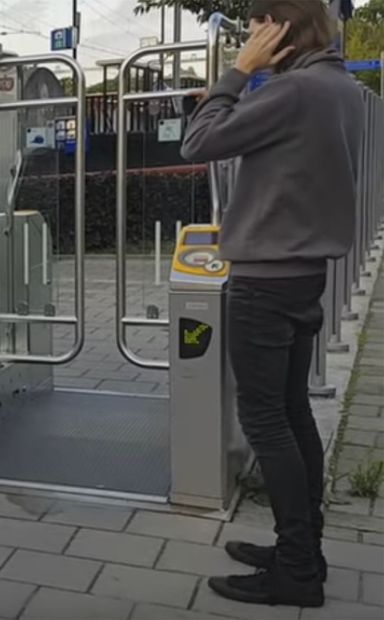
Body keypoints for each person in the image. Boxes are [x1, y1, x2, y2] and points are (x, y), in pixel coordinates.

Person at [180, 0, 364, 608]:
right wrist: (237, 91)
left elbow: (197, 142)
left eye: (260, 23)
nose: (252, 33)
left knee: (266, 421)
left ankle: (296, 573)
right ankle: (302, 549)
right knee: (291, 413)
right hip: (303, 272)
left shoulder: (294, 92)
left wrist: (236, 75)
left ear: (283, 29)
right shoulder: (342, 89)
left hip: (264, 277)